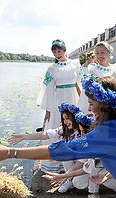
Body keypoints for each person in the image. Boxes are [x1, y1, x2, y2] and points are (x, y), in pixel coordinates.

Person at [43, 112, 116, 198]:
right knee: (86, 175)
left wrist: (63, 175)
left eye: (84, 131)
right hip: (110, 169)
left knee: (103, 178)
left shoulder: (101, 144)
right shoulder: (91, 141)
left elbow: (90, 168)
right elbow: (86, 164)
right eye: (81, 131)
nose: (81, 134)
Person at [36, 40, 83, 171]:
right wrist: (48, 110)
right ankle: (56, 163)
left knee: (74, 128)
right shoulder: (51, 69)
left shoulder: (75, 65)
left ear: (64, 50)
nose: (57, 54)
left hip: (73, 99)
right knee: (58, 126)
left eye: (59, 51)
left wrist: (83, 102)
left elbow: (79, 84)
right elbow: (48, 89)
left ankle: (74, 161)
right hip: (58, 100)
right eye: (54, 52)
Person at [9, 102, 81, 174]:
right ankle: (69, 179)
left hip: (84, 161)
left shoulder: (82, 131)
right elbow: (45, 135)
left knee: (78, 183)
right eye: (63, 119)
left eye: (67, 118)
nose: (65, 122)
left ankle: (69, 177)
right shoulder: (65, 129)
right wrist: (24, 137)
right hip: (73, 159)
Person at [79, 41, 116, 111]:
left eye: (102, 52)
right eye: (97, 53)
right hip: (96, 106)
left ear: (109, 53)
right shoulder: (92, 69)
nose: (99, 55)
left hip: (110, 105)